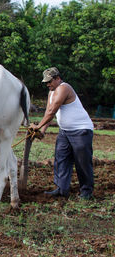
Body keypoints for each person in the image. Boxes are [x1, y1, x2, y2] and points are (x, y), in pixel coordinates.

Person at [29, 67, 94, 199]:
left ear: (58, 78)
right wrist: (42, 131)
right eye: (46, 82)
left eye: (50, 81)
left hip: (81, 130)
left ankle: (86, 192)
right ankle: (61, 189)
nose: (48, 84)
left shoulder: (64, 88)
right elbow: (48, 112)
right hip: (65, 131)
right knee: (61, 159)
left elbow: (52, 111)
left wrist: (37, 126)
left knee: (82, 161)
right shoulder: (51, 93)